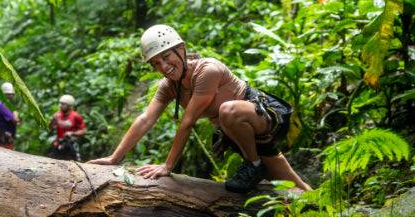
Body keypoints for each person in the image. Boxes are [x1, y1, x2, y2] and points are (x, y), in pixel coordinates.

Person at [88, 24, 311, 193]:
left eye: (166, 57)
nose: (163, 67)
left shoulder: (208, 71)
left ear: (181, 49)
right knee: (290, 183)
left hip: (264, 116)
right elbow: (146, 119)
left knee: (227, 110)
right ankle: (312, 203)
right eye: (156, 63)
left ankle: (253, 164)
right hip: (240, 133)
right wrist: (114, 157)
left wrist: (167, 166)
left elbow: (188, 122)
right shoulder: (169, 86)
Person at [49, 94, 87, 161]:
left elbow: (84, 131)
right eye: (60, 103)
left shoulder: (76, 116)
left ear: (69, 106)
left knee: (74, 162)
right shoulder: (57, 115)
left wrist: (72, 133)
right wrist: (52, 121)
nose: (60, 105)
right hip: (59, 143)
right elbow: (51, 128)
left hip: (71, 144)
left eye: (63, 104)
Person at [0, 82, 21, 150]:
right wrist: (15, 113)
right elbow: (15, 120)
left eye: (12, 94)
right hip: (4, 139)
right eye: (9, 94)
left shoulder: (0, 104)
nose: (11, 96)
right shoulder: (2, 105)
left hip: (3, 137)